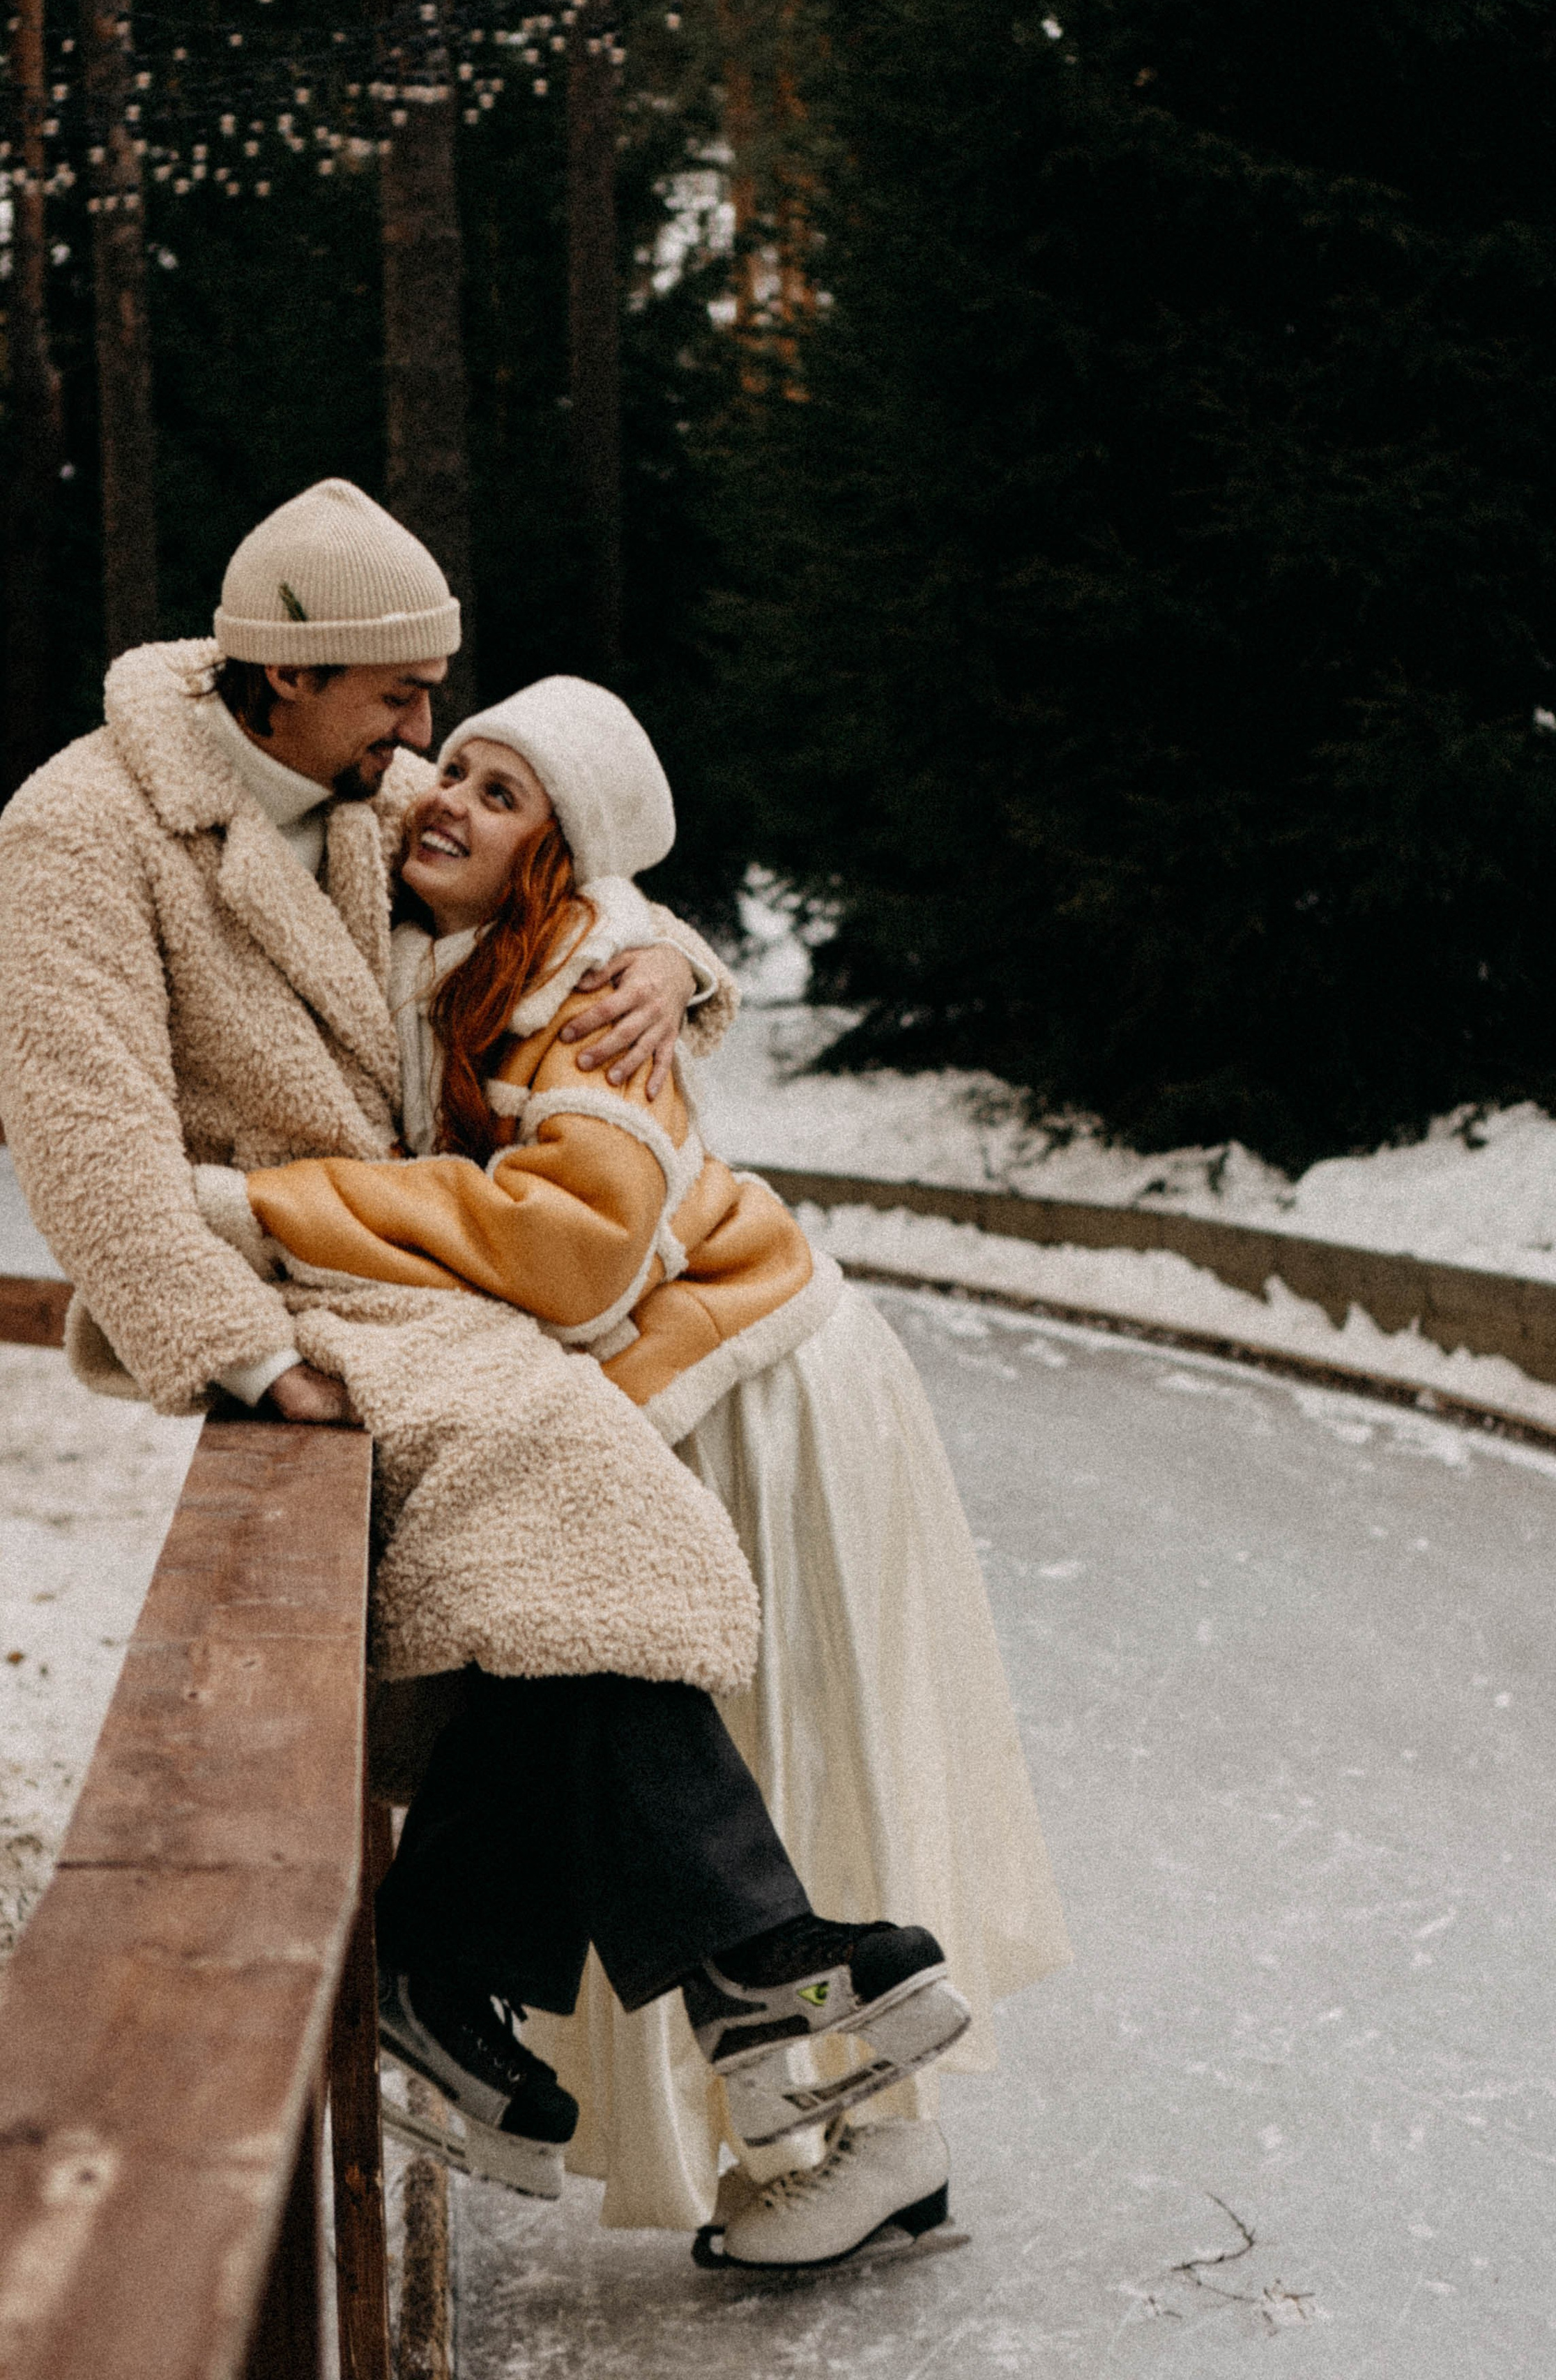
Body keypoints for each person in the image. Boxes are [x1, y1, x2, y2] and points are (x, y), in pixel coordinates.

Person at [0, 482, 968, 2249]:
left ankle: (511, 1981)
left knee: (553, 1558)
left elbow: (567, 881)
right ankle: (732, 1972)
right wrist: (236, 1357)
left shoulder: (366, 791)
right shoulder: (82, 828)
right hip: (290, 1287)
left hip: (425, 1279)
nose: (423, 738)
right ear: (287, 674)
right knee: (571, 1503)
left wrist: (672, 965)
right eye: (399, 695)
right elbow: (82, 1143)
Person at [228, 672, 1071, 2268]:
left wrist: (279, 1204)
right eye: (450, 765)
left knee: (777, 1733)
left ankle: (869, 2134)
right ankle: (532, 1987)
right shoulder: (478, 935)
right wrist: (684, 956)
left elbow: (576, 1254)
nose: (444, 798)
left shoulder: (587, 978)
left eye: (500, 793)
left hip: (755, 1383)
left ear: (558, 855)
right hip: (663, 1382)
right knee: (580, 1652)